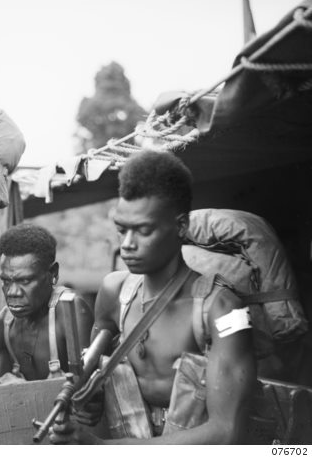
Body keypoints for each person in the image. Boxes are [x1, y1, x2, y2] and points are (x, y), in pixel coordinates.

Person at [50, 150, 256, 444]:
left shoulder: (220, 310)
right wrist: (90, 400)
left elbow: (226, 432)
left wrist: (98, 447)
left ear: (181, 227)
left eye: (143, 231)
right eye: (121, 230)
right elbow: (92, 383)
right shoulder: (113, 293)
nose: (127, 245)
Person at [0, 224, 94, 383]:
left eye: (25, 281)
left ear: (53, 273)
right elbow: (0, 392)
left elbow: (89, 387)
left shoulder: (70, 311)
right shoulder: (5, 323)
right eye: (6, 281)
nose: (13, 292)